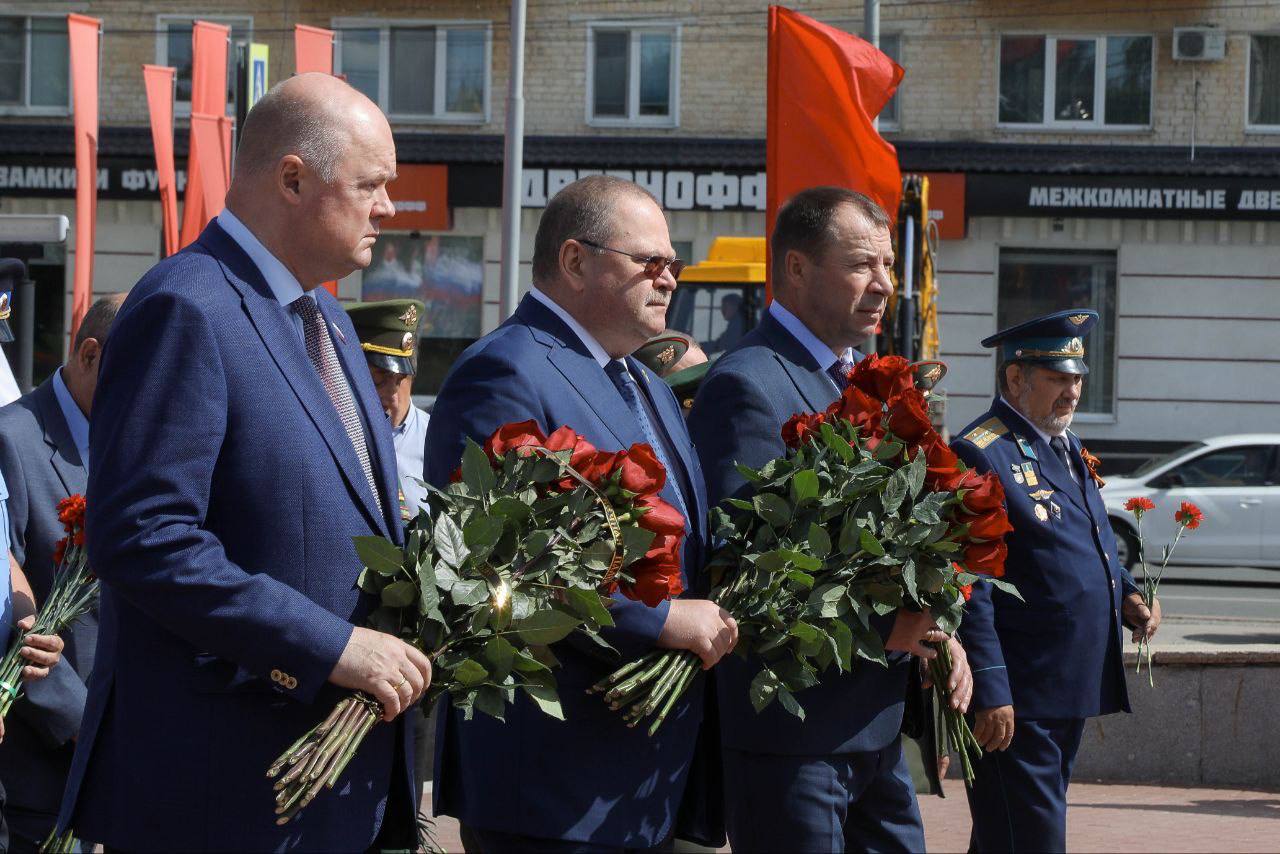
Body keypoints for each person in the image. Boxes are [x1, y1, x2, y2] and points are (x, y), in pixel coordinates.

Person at [55, 74, 432, 851]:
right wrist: (330, 646)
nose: (389, 207)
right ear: (293, 178)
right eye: (371, 184)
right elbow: (144, 540)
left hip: (327, 785)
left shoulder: (323, 311)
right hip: (221, 790)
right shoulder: (185, 306)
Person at [424, 175, 736, 852]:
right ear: (574, 261)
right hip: (551, 776)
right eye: (649, 262)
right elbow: (494, 568)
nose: (669, 280)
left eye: (673, 265)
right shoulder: (504, 371)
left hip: (644, 771)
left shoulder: (644, 381)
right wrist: (657, 620)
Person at [687, 186, 972, 853]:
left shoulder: (860, 381)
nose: (884, 285)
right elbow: (748, 569)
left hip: (872, 727)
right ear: (795, 269)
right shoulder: (749, 383)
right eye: (861, 266)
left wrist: (938, 625)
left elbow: (888, 543)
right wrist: (895, 627)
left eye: (887, 268)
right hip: (794, 735)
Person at [952, 309, 1161, 852]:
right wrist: (992, 687)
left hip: (1064, 686)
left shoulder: (1062, 443)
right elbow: (971, 583)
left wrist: (1129, 595)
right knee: (1031, 838)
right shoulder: (981, 449)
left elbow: (1082, 540)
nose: (1072, 391)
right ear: (1016, 379)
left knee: (1011, 835)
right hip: (1020, 694)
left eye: (1077, 378)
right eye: (1058, 378)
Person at [0, 292, 124, 850]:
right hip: (42, 765)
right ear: (90, 355)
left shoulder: (136, 438)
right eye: (136, 374)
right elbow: (12, 613)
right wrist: (84, 726)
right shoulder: (13, 439)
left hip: (123, 751)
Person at [345, 298, 431, 519]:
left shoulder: (435, 438)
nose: (392, 394)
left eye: (400, 379)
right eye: (377, 381)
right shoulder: (339, 438)